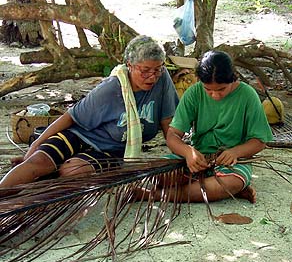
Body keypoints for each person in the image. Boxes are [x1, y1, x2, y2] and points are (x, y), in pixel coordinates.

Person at [0, 35, 179, 188]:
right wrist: (35, 145)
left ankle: (45, 178)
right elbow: (70, 117)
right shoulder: (111, 89)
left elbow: (167, 123)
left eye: (157, 69)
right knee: (38, 162)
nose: (152, 76)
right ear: (129, 65)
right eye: (145, 70)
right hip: (78, 135)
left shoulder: (162, 80)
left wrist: (181, 153)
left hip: (112, 150)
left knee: (71, 172)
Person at [144, 50, 273, 204]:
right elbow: (173, 135)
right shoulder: (194, 92)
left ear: (233, 79)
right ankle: (225, 191)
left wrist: (235, 152)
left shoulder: (247, 95)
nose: (215, 95)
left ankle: (153, 195)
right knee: (155, 174)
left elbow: (259, 141)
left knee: (231, 182)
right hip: (197, 160)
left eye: (221, 89)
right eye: (208, 90)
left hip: (231, 164)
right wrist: (188, 152)